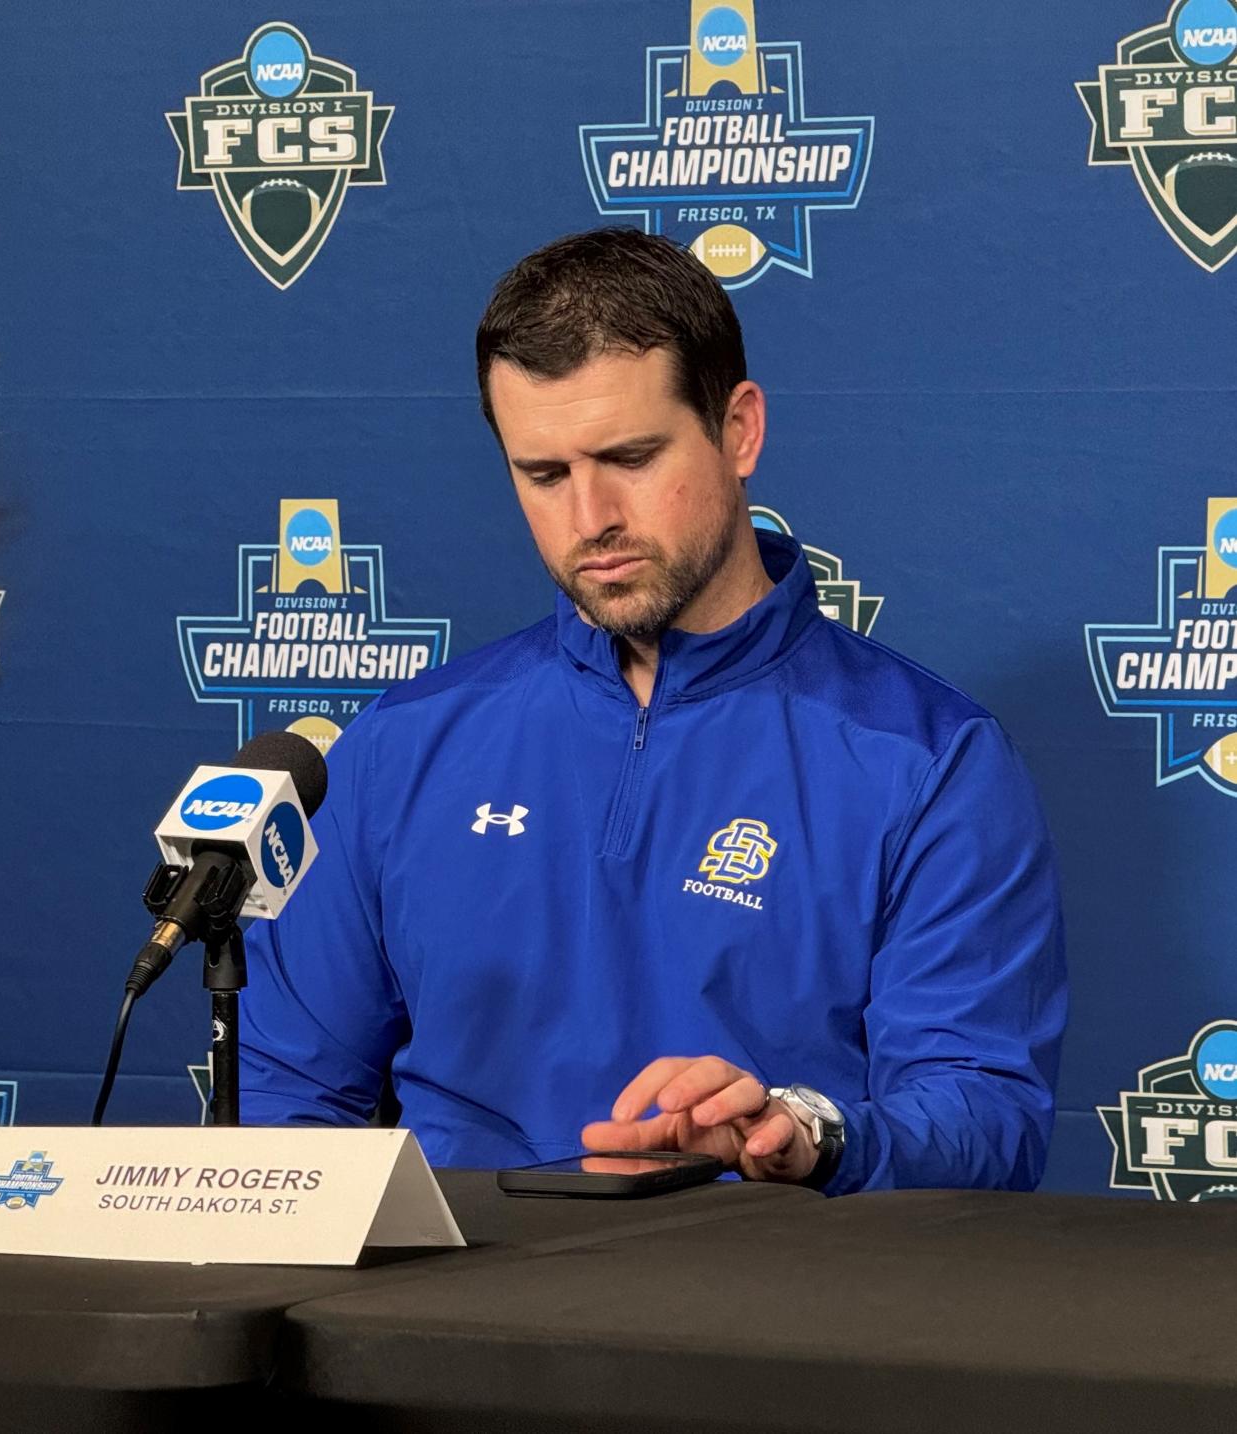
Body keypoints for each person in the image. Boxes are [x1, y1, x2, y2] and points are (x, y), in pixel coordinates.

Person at [240, 228, 1066, 1193]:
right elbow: (287, 1092)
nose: (589, 517)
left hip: (760, 1313)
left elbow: (984, 1115)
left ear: (739, 430)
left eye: (630, 457)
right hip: (447, 1318)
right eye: (542, 474)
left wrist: (811, 1135)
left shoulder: (930, 764)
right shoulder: (401, 745)